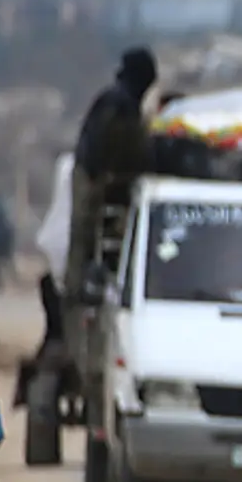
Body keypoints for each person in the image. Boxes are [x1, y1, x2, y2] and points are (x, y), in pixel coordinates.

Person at [65, 47, 158, 300]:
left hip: (99, 174)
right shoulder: (119, 104)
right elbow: (105, 144)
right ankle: (77, 290)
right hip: (94, 174)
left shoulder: (121, 101)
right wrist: (103, 175)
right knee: (86, 232)